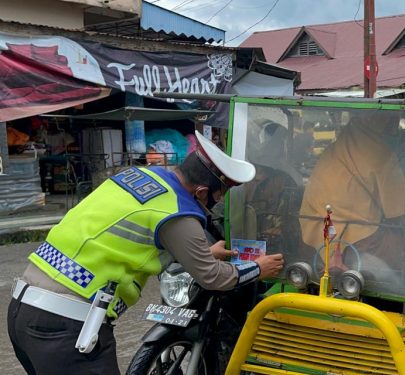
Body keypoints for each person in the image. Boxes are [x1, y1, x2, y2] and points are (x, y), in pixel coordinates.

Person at [8, 131, 285, 374]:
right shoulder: (178, 212)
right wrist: (260, 267)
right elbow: (213, 279)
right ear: (202, 191)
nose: (219, 200)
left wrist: (203, 252)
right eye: (220, 193)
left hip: (23, 310)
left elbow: (131, 237)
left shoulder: (135, 175)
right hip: (66, 325)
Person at [298, 111, 405, 292]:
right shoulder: (381, 155)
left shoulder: (333, 149)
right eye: (391, 122)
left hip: (311, 239)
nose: (394, 128)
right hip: (358, 244)